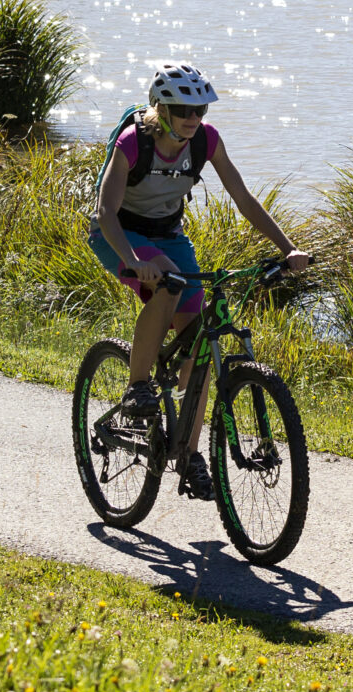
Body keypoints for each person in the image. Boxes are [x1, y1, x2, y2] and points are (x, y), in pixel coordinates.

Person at [90, 62, 309, 501]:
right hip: (119, 235)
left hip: (168, 236)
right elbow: (104, 213)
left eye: (200, 111)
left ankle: (190, 456)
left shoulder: (206, 141)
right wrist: (133, 260)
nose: (194, 119)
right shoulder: (135, 143)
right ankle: (136, 390)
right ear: (162, 108)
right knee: (167, 286)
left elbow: (243, 197)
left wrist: (288, 249)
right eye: (184, 109)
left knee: (199, 347)